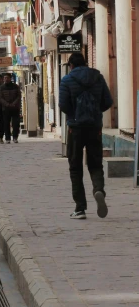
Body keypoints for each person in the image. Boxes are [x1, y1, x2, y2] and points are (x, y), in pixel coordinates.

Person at [59, 52, 112, 220]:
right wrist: (95, 114)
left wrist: (74, 116)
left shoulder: (67, 80)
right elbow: (108, 101)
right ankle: (98, 190)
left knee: (75, 166)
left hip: (75, 128)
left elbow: (63, 104)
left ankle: (80, 208)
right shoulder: (98, 77)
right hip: (94, 127)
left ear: (71, 66)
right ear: (85, 63)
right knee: (95, 163)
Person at [0, 73, 21, 144]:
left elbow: (18, 96)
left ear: (10, 78)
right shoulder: (1, 87)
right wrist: (7, 104)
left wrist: (14, 104)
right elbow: (0, 98)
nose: (6, 79)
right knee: (6, 124)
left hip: (15, 108)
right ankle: (7, 138)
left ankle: (15, 137)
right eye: (5, 78)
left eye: (7, 78)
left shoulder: (16, 86)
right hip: (5, 108)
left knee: (15, 124)